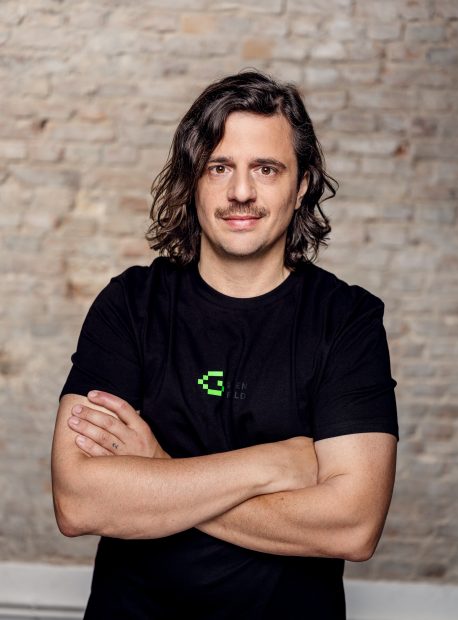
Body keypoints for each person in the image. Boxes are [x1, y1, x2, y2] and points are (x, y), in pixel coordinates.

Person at [51, 70, 398, 619]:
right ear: (193, 179)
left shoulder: (346, 320)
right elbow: (78, 501)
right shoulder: (131, 304)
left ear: (301, 185)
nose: (241, 192)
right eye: (219, 167)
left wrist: (158, 470)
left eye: (266, 168)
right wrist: (273, 463)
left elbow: (353, 526)